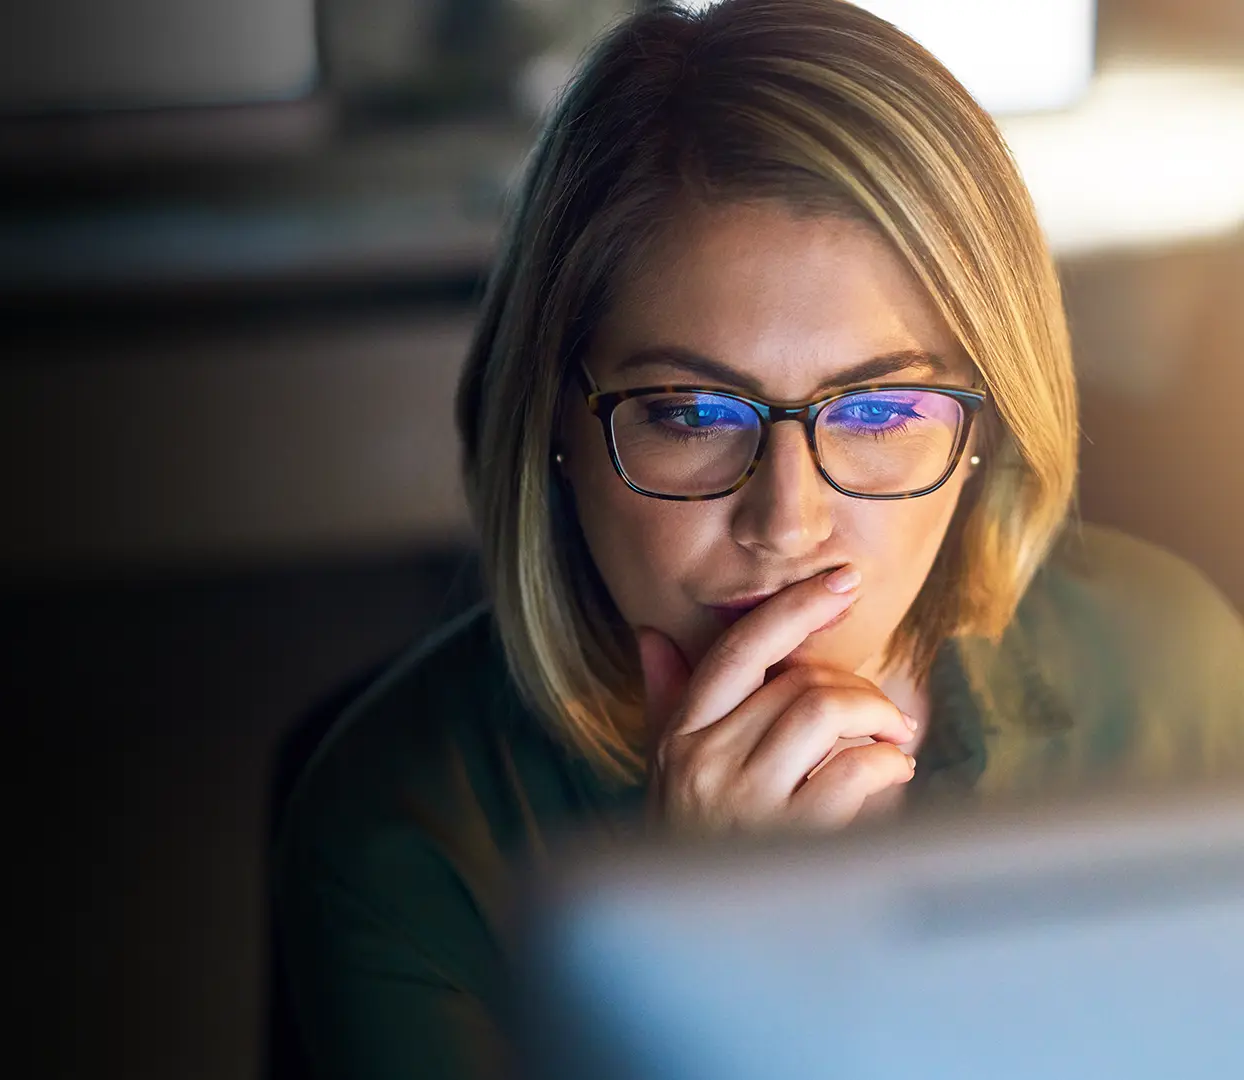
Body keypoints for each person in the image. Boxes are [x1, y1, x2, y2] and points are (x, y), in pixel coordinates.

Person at [270, 1, 1244, 1077]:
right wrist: (708, 951)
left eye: (878, 414)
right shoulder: (402, 839)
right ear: (553, 418)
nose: (786, 524)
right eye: (691, 414)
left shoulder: (1173, 675)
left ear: (990, 422)